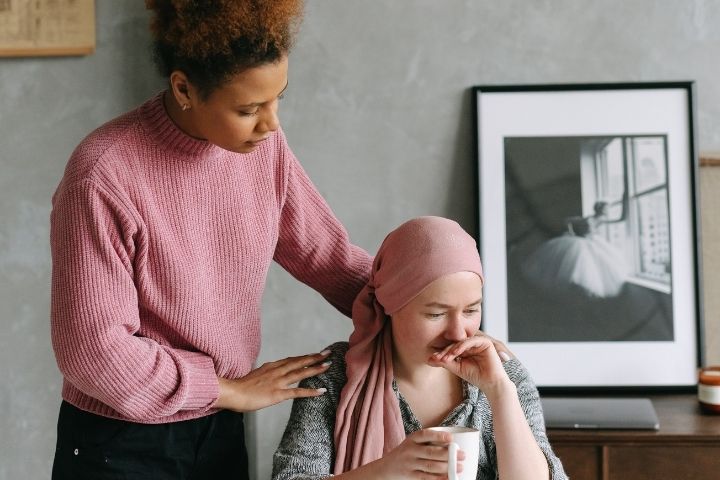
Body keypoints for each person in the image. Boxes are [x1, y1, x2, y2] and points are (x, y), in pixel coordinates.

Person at [49, 1, 372, 478]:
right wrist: (229, 390)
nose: (272, 124)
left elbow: (329, 257)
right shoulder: (103, 175)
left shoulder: (262, 149)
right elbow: (93, 350)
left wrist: (435, 313)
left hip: (219, 426)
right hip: (118, 440)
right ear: (184, 88)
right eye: (248, 109)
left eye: (278, 97)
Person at [273, 216, 568, 479]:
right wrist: (385, 471)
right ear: (390, 304)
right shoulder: (333, 377)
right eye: (436, 314)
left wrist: (500, 391)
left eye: (471, 310)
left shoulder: (503, 373)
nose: (458, 331)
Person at [522, 197, 629, 298]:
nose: (606, 211)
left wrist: (625, 197)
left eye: (607, 209)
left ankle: (582, 290)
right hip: (580, 242)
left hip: (592, 242)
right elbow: (567, 220)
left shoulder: (602, 220)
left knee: (591, 266)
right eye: (605, 208)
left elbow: (622, 219)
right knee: (577, 265)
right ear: (599, 209)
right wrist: (571, 232)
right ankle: (574, 290)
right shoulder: (587, 218)